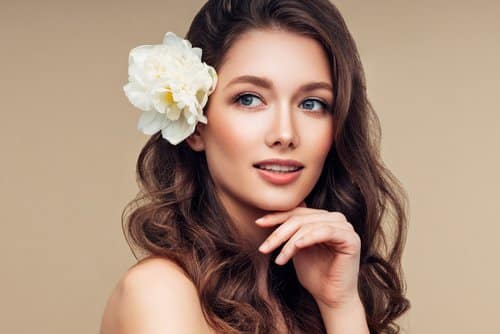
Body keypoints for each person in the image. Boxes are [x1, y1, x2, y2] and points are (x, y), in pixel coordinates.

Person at [100, 0, 411, 333]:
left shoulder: (309, 293)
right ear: (196, 126)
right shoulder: (159, 293)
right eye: (249, 99)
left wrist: (340, 305)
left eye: (312, 103)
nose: (285, 134)